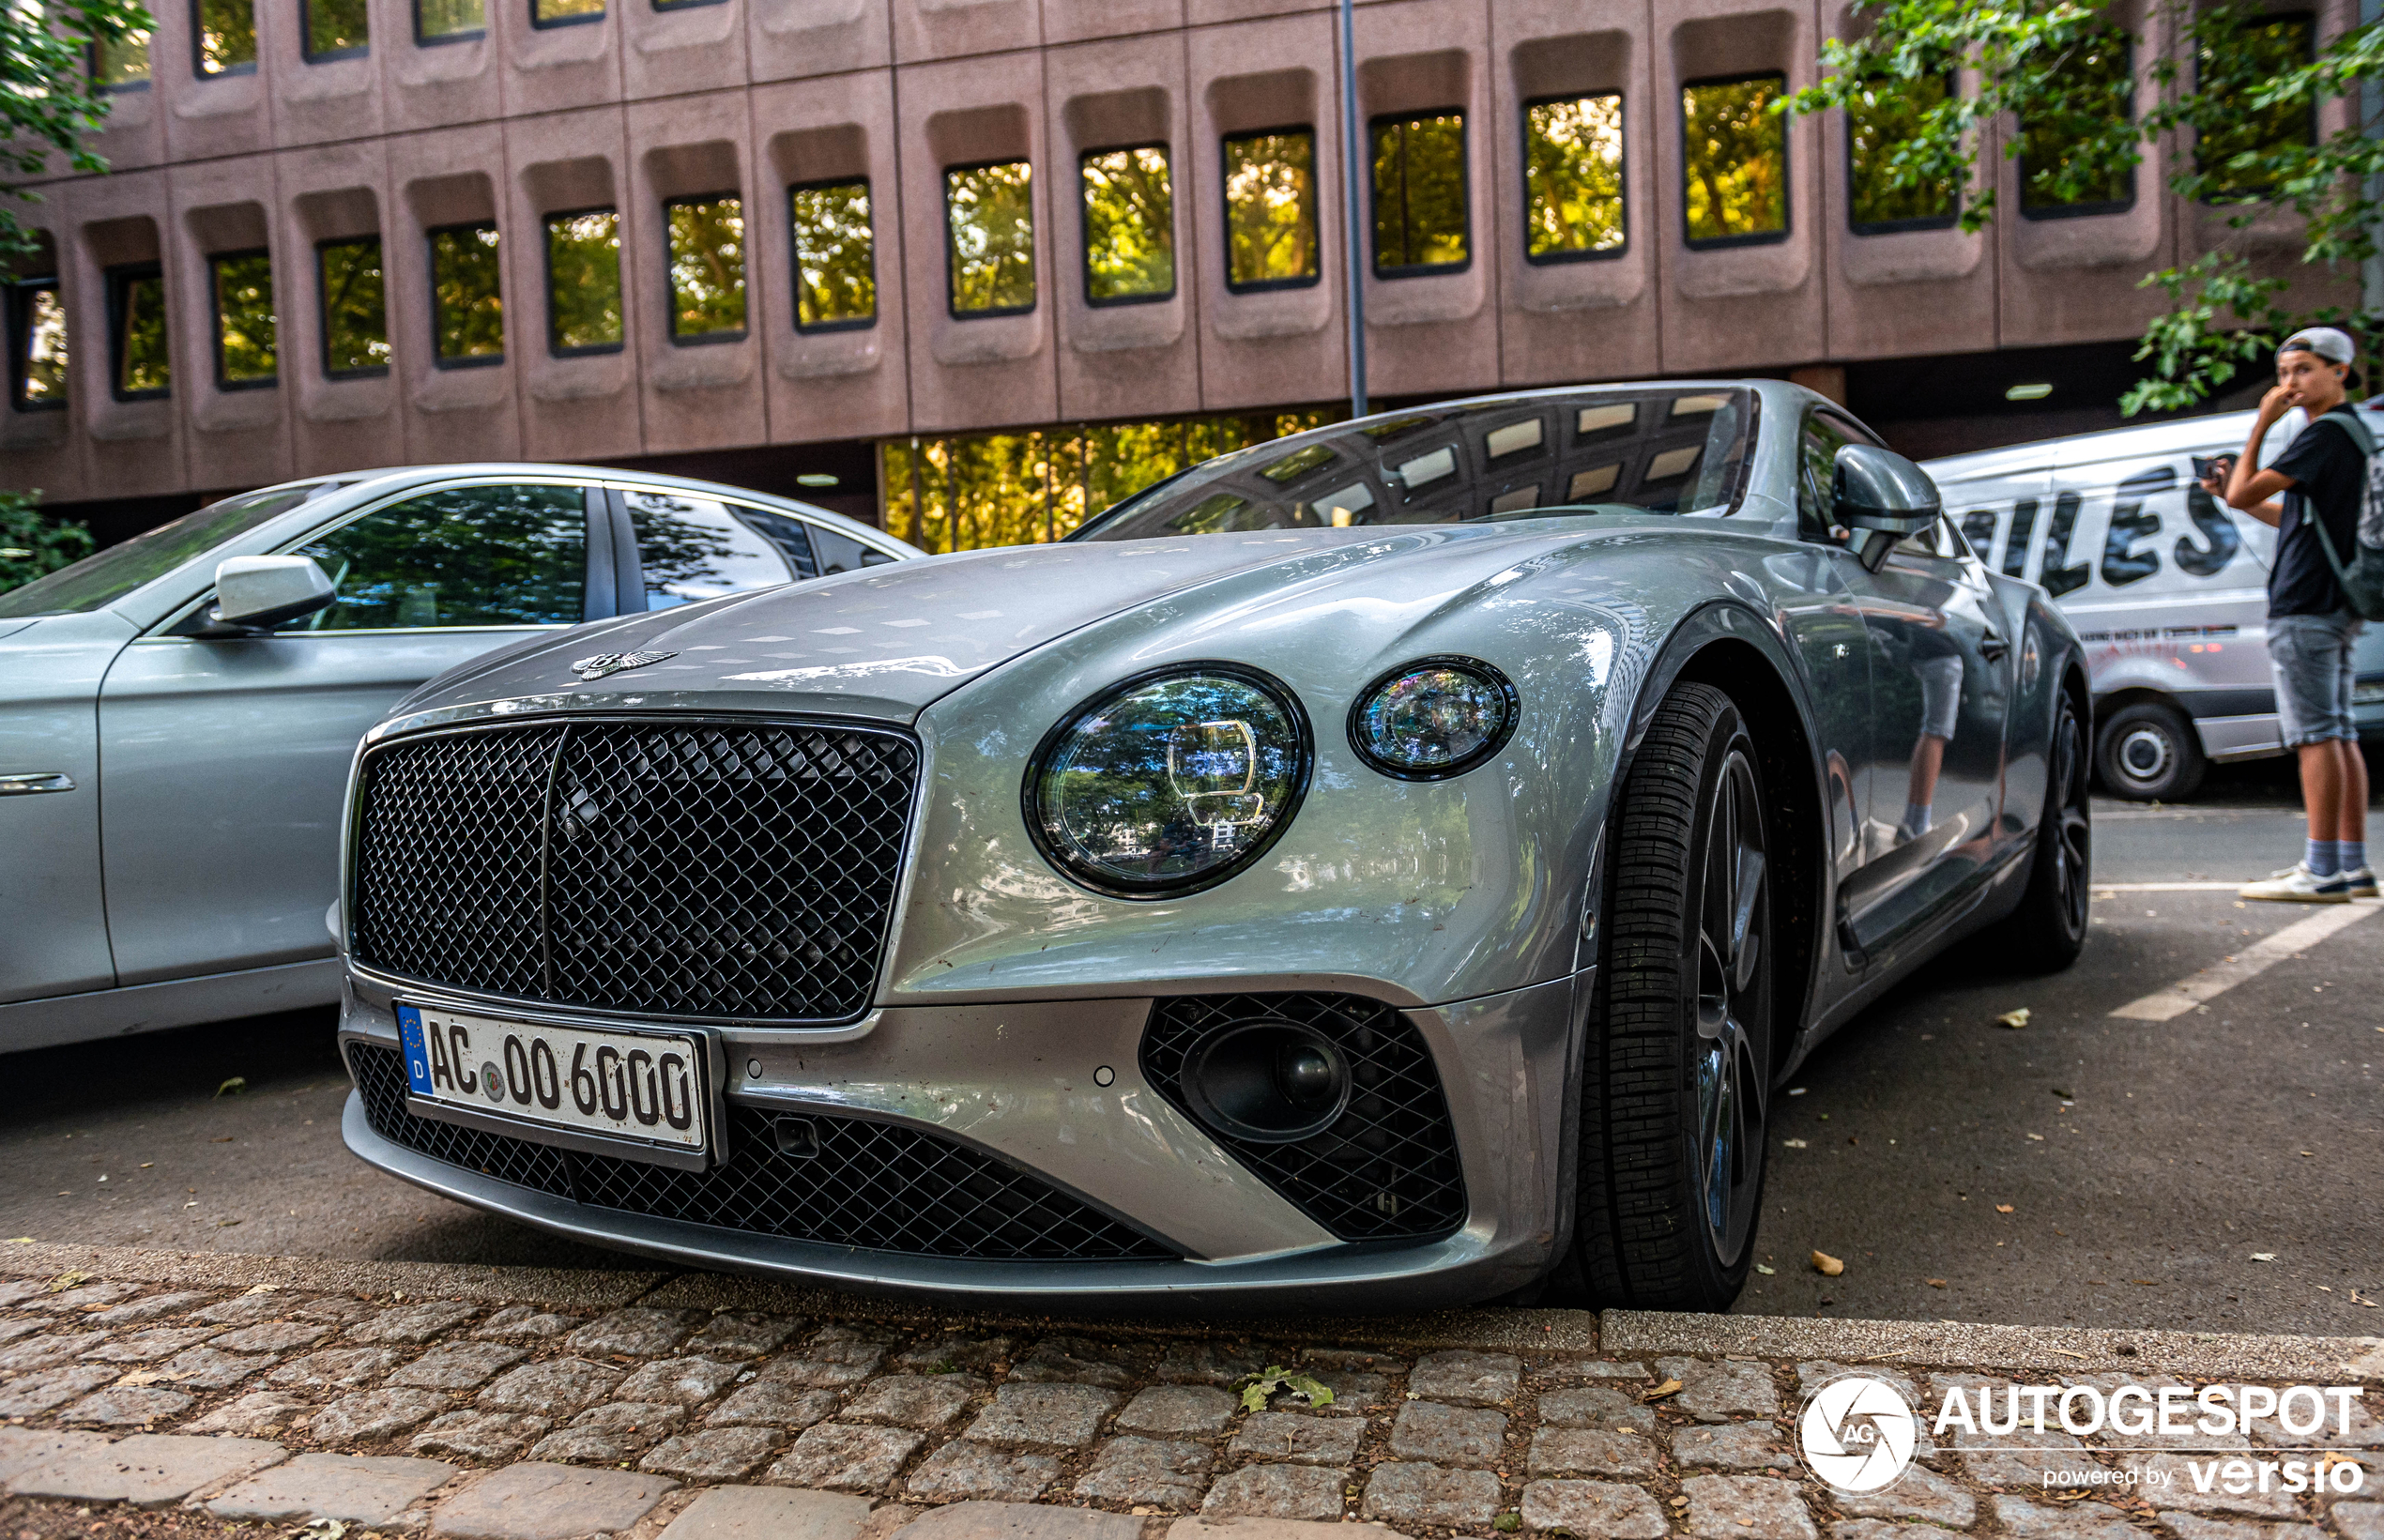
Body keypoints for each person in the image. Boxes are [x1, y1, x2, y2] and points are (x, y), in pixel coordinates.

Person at [2203, 327, 2376, 901]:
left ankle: (2321, 869)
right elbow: (2292, 517)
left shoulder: (2323, 434)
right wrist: (2237, 489)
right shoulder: (2352, 435)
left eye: (2302, 370)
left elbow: (2244, 493)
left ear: (2339, 372)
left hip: (2306, 605)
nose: (2289, 384)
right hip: (2336, 601)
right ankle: (2350, 865)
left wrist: (2260, 423)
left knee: (2315, 734)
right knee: (2339, 731)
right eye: (2281, 375)